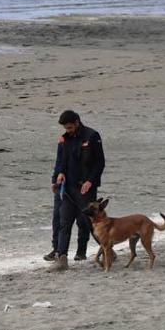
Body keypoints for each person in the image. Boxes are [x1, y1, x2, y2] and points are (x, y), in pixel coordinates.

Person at [47, 110, 105, 272]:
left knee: (88, 222)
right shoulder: (64, 138)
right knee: (64, 222)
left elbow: (99, 163)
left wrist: (90, 181)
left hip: (86, 189)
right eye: (66, 128)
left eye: (70, 127)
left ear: (77, 122)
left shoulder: (92, 136)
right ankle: (62, 258)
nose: (68, 130)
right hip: (67, 189)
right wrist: (57, 177)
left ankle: (108, 250)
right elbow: (60, 161)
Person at [43, 136, 91, 263]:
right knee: (58, 218)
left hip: (80, 186)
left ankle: (81, 251)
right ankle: (57, 249)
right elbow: (59, 162)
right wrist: (54, 181)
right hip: (62, 186)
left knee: (83, 219)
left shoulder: (86, 140)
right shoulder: (63, 141)